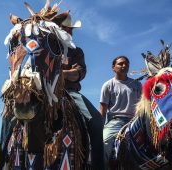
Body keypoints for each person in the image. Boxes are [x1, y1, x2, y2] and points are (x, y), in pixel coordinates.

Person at [60, 14, 104, 170]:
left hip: (70, 92)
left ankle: (98, 166)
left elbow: (79, 73)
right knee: (11, 120)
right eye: (65, 28)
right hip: (44, 90)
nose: (69, 32)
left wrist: (58, 74)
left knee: (97, 121)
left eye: (71, 29)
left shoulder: (76, 51)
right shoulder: (45, 47)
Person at [100, 56, 142, 169]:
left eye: (127, 64)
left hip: (135, 122)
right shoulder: (108, 85)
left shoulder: (137, 85)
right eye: (121, 64)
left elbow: (143, 107)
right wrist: (99, 128)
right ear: (113, 67)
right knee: (104, 143)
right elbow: (103, 110)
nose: (124, 66)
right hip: (115, 122)